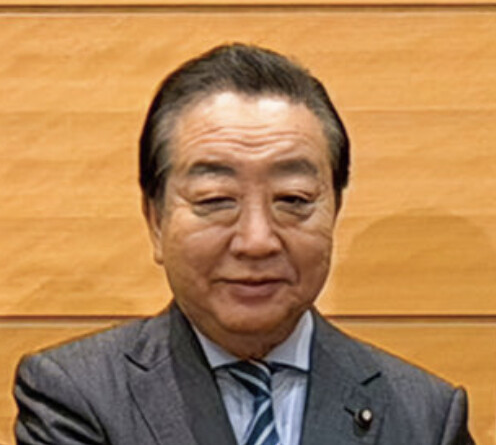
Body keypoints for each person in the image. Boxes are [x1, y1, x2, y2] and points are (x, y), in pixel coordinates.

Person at [14, 43, 474, 445]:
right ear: (155, 221)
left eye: (293, 199)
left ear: (334, 211)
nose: (257, 241)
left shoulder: (427, 416)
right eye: (216, 200)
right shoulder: (77, 394)